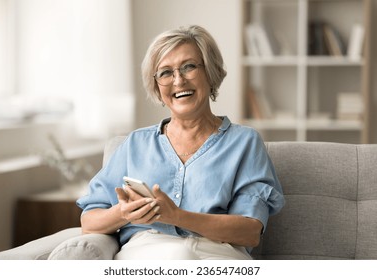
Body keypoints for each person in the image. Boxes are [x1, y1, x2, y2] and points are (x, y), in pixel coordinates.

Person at [77, 25, 285, 260]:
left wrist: (176, 216)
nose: (178, 80)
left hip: (217, 254)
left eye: (189, 67)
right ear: (156, 85)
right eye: (165, 72)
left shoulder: (244, 142)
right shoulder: (136, 144)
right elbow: (89, 221)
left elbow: (250, 232)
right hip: (147, 251)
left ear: (210, 72)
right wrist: (124, 213)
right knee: (176, 255)